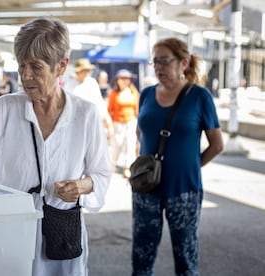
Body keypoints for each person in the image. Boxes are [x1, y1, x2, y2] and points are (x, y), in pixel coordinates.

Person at [0, 17, 111, 276]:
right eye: (21, 66)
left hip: (61, 235)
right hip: (10, 231)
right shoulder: (6, 108)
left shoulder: (86, 115)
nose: (25, 76)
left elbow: (102, 175)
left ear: (61, 66)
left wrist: (81, 187)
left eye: (36, 67)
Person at [132, 37, 223, 275]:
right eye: (155, 62)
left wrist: (191, 166)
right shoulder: (147, 94)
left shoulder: (200, 97)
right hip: (146, 188)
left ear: (183, 62)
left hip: (184, 190)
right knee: (142, 254)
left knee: (186, 255)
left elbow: (217, 144)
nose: (158, 67)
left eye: (164, 61)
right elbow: (140, 132)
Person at [107, 69, 140, 178]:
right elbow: (109, 110)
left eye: (127, 79)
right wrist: (110, 125)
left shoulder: (133, 92)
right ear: (118, 80)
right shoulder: (113, 94)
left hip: (131, 122)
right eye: (123, 79)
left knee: (130, 145)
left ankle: (127, 167)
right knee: (117, 144)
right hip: (118, 122)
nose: (125, 81)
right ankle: (112, 164)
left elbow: (137, 109)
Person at [71, 58, 113, 138]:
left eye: (88, 70)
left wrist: (108, 121)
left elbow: (100, 103)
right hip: (79, 127)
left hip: (95, 124)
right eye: (85, 71)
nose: (88, 73)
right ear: (78, 72)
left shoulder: (92, 83)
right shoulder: (72, 86)